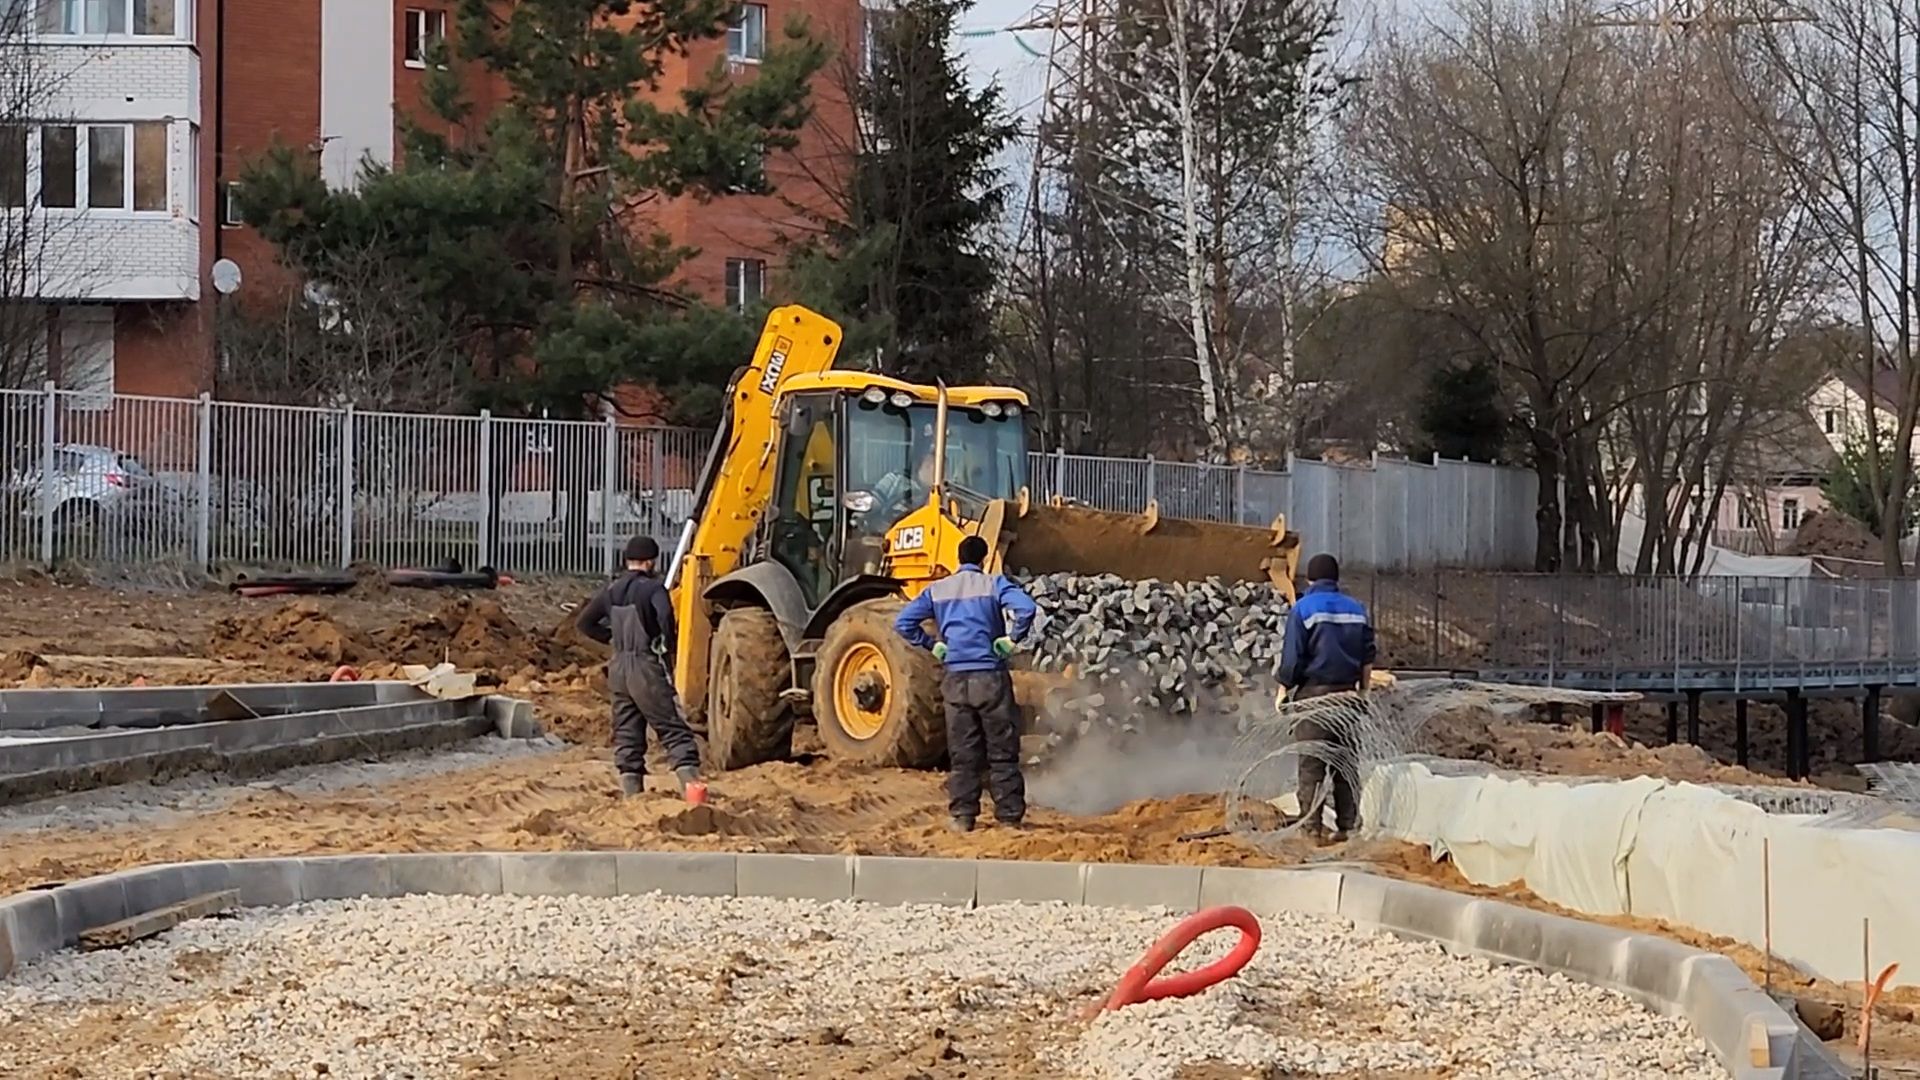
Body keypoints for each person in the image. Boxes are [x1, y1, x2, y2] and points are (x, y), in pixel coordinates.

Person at [893, 534, 1039, 833]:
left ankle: (963, 816)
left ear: (958, 559)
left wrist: (933, 645)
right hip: (990, 678)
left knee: (963, 752)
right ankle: (1009, 817)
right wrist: (1011, 641)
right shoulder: (993, 584)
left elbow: (903, 623)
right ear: (984, 559)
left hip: (955, 679)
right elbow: (1027, 608)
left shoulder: (937, 590)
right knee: (1001, 750)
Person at [576, 536, 702, 797]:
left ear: (627, 560)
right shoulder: (654, 589)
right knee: (672, 728)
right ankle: (693, 791)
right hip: (646, 665)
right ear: (650, 561)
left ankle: (632, 795)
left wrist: (610, 638)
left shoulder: (611, 590)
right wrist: (666, 643)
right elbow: (665, 616)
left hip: (619, 667)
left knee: (627, 733)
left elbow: (584, 623)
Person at [1277, 553, 1376, 841]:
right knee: (1345, 766)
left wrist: (1283, 689)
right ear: (1336, 579)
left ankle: (1312, 831)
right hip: (1348, 697)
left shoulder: (1304, 608)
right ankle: (1348, 827)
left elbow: (1292, 659)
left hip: (1314, 697)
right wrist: (1363, 692)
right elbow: (1368, 654)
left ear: (1309, 578)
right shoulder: (1357, 609)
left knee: (1311, 767)